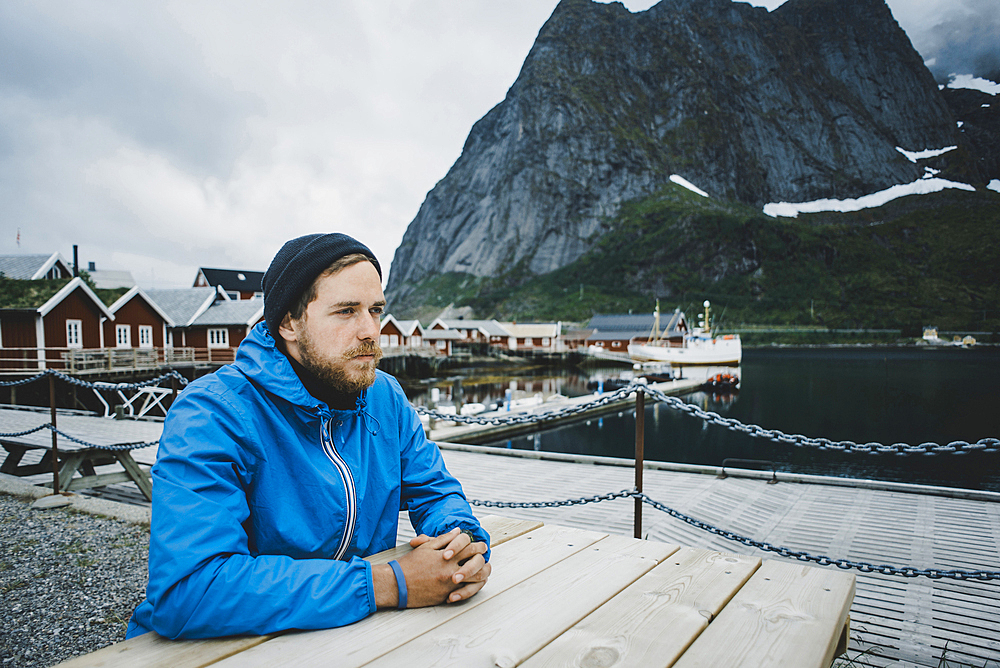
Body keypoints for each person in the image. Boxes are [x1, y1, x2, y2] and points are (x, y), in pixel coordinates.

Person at [126, 233, 491, 639]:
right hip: (219, 648)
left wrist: (463, 546)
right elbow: (190, 591)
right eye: (347, 311)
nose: (370, 330)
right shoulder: (214, 412)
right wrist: (387, 584)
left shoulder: (384, 396)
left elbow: (437, 491)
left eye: (375, 310)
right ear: (288, 323)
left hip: (351, 634)